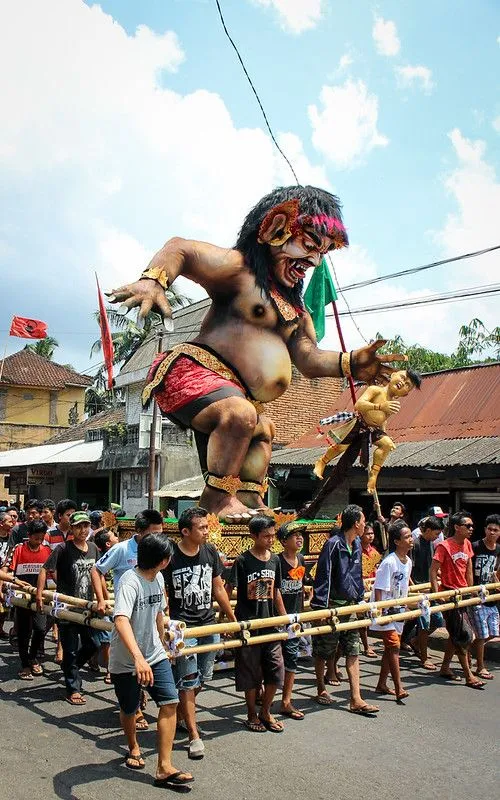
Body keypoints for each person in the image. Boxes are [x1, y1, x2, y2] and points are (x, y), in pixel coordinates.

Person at [109, 185, 404, 521]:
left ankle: (248, 498)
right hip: (194, 371)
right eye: (308, 245)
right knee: (242, 415)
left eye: (321, 251)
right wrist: (154, 281)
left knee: (263, 429)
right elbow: (182, 249)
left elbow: (307, 358)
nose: (313, 260)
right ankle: (217, 499)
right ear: (275, 228)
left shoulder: (297, 311)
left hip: (237, 395)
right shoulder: (239, 271)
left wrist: (350, 363)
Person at [110, 533, 193, 787]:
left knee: (169, 703)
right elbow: (121, 619)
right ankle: (133, 745)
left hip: (155, 655)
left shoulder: (157, 578)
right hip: (126, 660)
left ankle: (164, 766)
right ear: (164, 560)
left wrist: (164, 643)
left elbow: (159, 612)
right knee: (129, 708)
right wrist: (138, 658)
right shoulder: (129, 582)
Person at [163, 507, 236, 759]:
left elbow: (218, 587)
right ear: (185, 531)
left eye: (207, 526)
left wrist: (231, 619)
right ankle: (194, 735)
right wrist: (164, 624)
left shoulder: (210, 552)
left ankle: (182, 714)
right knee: (188, 680)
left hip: (208, 624)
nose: (207, 531)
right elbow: (162, 592)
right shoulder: (170, 556)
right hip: (184, 628)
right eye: (202, 527)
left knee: (203, 677)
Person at [92, 508, 164, 729]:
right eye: (153, 533)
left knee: (148, 658)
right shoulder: (122, 549)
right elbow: (97, 570)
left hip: (149, 611)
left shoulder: (158, 551)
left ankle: (138, 702)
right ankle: (135, 710)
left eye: (160, 533)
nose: (158, 538)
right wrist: (102, 599)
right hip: (126, 614)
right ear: (139, 532)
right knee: (132, 660)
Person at [311, 504, 379, 715]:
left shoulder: (357, 543)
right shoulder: (333, 544)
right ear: (355, 523)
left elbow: (356, 573)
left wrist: (359, 599)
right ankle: (321, 688)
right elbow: (324, 576)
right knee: (325, 650)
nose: (365, 525)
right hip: (332, 605)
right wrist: (321, 607)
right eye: (363, 521)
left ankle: (356, 698)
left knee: (353, 649)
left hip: (350, 605)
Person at [226, 514, 287, 733]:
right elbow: (228, 589)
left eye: (273, 536)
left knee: (276, 669)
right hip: (248, 624)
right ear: (253, 536)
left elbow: (276, 591)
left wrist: (285, 619)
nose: (271, 540)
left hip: (271, 624)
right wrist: (229, 622)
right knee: (250, 673)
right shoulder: (242, 561)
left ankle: (266, 711)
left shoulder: (275, 560)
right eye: (266, 536)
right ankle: (251, 713)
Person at [36, 511, 104, 705]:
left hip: (86, 607)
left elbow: (97, 575)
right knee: (71, 649)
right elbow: (45, 569)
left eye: (86, 526)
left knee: (94, 644)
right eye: (79, 526)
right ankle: (72, 688)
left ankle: (70, 669)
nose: (83, 530)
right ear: (72, 529)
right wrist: (40, 595)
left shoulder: (93, 548)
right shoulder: (63, 549)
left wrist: (101, 599)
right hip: (66, 608)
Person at [430, 510, 485, 689]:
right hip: (449, 595)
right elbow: (433, 571)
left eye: (471, 526)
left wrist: (471, 592)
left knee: (455, 633)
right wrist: (437, 595)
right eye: (467, 526)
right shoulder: (444, 546)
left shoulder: (467, 544)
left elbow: (468, 569)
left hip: (463, 594)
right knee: (464, 635)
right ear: (456, 527)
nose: (471, 529)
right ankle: (469, 676)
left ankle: (445, 667)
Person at [0, 519, 51, 679]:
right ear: (28, 535)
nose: (38, 541)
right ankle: (25, 664)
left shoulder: (47, 550)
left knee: (41, 628)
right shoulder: (18, 549)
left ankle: (33, 657)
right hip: (21, 596)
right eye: (36, 538)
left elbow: (52, 572)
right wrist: (6, 584)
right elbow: (5, 569)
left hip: (41, 595)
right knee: (24, 631)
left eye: (41, 538)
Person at [370, 521, 413, 702]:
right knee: (394, 646)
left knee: (390, 649)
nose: (411, 540)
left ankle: (381, 683)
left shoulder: (408, 561)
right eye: (407, 537)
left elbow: (404, 586)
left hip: (399, 609)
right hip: (386, 609)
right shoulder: (389, 562)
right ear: (396, 541)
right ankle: (398, 687)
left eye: (411, 536)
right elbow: (379, 589)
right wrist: (380, 612)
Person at [276, 520, 309, 720]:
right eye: (294, 535)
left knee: (291, 658)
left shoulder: (302, 559)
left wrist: (302, 614)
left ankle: (286, 700)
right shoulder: (277, 561)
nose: (299, 538)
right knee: (272, 658)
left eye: (300, 534)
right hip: (279, 618)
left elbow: (301, 586)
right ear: (283, 541)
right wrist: (283, 617)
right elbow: (276, 590)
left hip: (295, 617)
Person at [404, 515, 445, 670]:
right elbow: (409, 570)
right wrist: (416, 589)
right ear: (427, 530)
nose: (437, 537)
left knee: (438, 621)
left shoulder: (430, 544)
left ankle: (414, 641)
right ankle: (424, 657)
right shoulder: (414, 545)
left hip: (430, 588)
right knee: (424, 624)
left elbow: (432, 567)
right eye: (435, 534)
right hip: (419, 591)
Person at [468, 514, 500, 680]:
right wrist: (471, 589)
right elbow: (468, 569)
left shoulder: (498, 550)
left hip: (491, 596)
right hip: (476, 597)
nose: (492, 532)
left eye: (495, 530)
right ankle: (480, 667)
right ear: (485, 530)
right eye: (490, 529)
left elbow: (497, 571)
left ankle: (467, 650)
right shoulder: (475, 546)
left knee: (492, 633)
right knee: (481, 635)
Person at [89, 528, 119, 682]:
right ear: (108, 543)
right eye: (114, 536)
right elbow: (98, 576)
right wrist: (104, 598)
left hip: (117, 599)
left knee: (109, 635)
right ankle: (109, 669)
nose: (117, 537)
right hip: (105, 600)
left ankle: (94, 659)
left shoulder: (120, 554)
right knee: (107, 637)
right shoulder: (103, 558)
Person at [360, 522, 380, 658]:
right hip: (361, 588)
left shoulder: (374, 552)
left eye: (372, 533)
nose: (370, 536)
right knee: (362, 619)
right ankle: (366, 646)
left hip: (372, 587)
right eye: (368, 533)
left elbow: (377, 569)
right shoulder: (357, 551)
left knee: (370, 616)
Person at [0, 510, 16, 638]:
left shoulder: (12, 537)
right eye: (9, 521)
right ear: (1, 523)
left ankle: (0, 628)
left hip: (6, 573)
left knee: (5, 603)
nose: (12, 522)